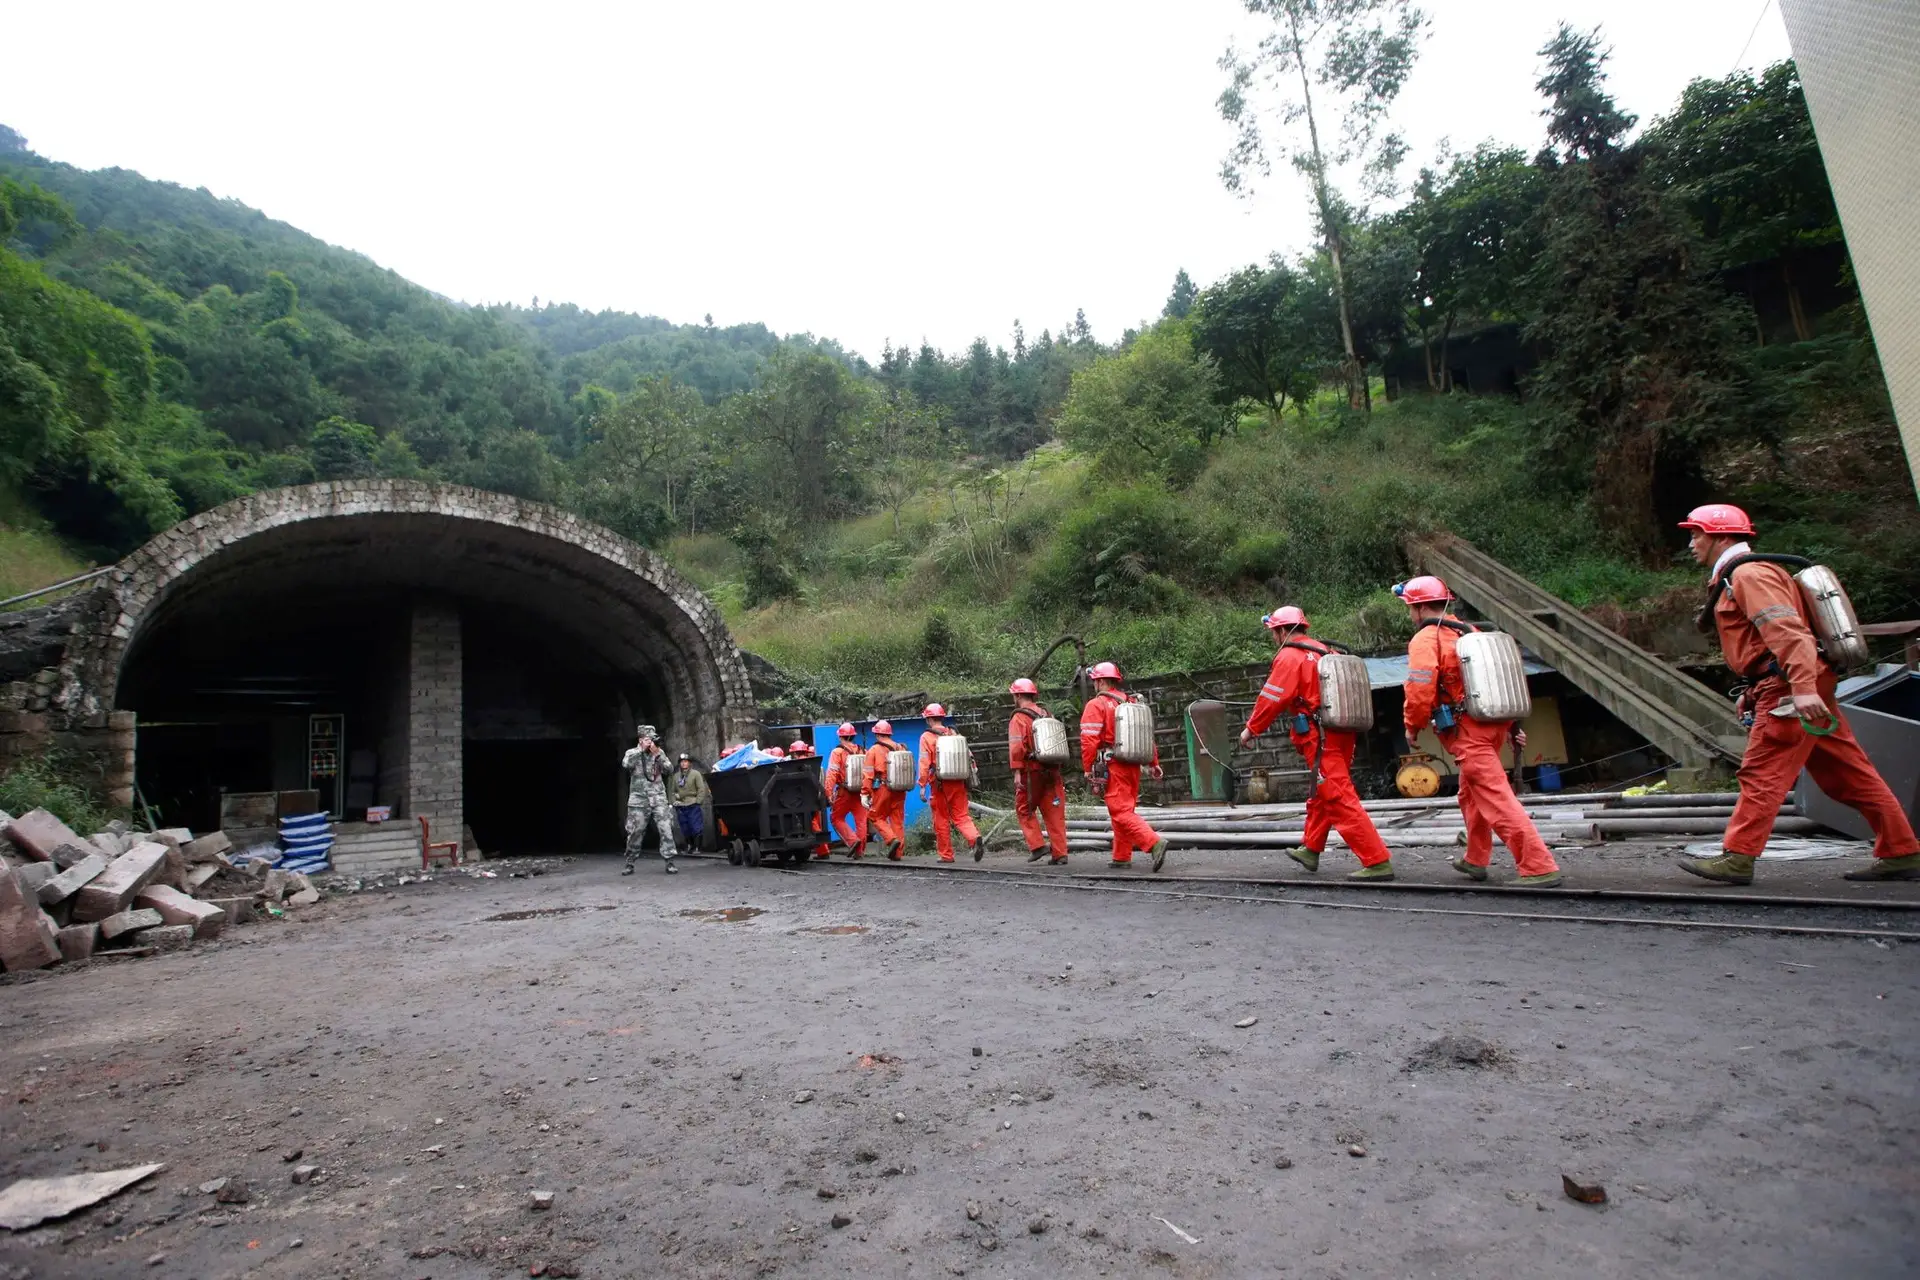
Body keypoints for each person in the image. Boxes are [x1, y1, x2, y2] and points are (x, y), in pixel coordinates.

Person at [1675, 503, 1919, 884]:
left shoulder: (1750, 575)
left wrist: (1802, 689)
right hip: (1788, 683)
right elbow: (1763, 644)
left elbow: (1789, 634)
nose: (1691, 543)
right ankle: (1902, 850)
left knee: (1762, 771)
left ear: (1721, 536)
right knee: (1848, 774)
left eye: (1696, 533)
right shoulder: (1742, 575)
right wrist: (1753, 691)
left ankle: (1738, 857)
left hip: (1791, 688)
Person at [1397, 577, 1562, 887]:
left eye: (1410, 610)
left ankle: (1538, 865)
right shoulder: (1470, 632)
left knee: (1496, 798)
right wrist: (1512, 728)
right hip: (1493, 725)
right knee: (1470, 794)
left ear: (1417, 608)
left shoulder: (1426, 639)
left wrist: (1411, 726)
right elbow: (1496, 681)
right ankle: (1475, 859)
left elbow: (1419, 690)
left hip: (1468, 733)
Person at [1239, 607, 1394, 880]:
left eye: (1274, 633)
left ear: (1282, 631)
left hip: (1320, 737)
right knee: (1323, 791)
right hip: (1341, 733)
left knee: (1337, 795)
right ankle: (1311, 849)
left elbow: (1273, 698)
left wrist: (1251, 730)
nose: (1274, 638)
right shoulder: (1325, 651)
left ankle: (1377, 860)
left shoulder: (1289, 655)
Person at [1079, 662, 1170, 872]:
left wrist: (1087, 767)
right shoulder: (1131, 702)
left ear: (1101, 681)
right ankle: (1121, 857)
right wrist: (1153, 763)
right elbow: (1146, 736)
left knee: (1119, 811)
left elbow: (1089, 740)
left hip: (1114, 766)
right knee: (1123, 810)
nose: (1094, 684)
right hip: (1133, 765)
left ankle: (1154, 843)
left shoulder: (1097, 705)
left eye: (1095, 681)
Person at [1008, 678, 1069, 865]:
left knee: (1024, 808)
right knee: (1054, 811)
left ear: (1018, 696)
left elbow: (1017, 747)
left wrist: (1017, 771)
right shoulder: (1046, 713)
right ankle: (1060, 853)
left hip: (1031, 771)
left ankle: (1037, 845)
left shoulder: (1018, 718)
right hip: (1052, 769)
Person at [918, 703, 984, 863]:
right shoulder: (953, 734)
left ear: (928, 719)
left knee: (941, 819)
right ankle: (974, 838)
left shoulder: (926, 737)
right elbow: (969, 757)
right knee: (961, 815)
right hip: (958, 781)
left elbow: (924, 762)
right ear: (942, 717)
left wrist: (922, 785)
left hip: (939, 784)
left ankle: (946, 855)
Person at [621, 726, 679, 875]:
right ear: (641, 740)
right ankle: (630, 862)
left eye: (652, 739)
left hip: (658, 797)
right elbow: (626, 765)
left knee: (666, 829)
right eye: (648, 739)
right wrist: (641, 750)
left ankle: (670, 861)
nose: (651, 742)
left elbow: (670, 770)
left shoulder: (658, 752)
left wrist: (658, 755)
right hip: (638, 800)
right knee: (635, 831)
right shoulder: (632, 753)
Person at [862, 719, 908, 861]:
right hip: (900, 789)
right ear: (889, 734)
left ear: (877, 734)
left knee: (875, 816)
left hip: (884, 788)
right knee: (897, 820)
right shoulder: (900, 747)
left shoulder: (874, 750)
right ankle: (898, 853)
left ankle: (891, 839)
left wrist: (864, 793)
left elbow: (868, 774)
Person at [824, 723, 870, 858]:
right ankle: (860, 851)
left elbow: (832, 773)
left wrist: (828, 792)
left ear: (840, 736)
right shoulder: (863, 751)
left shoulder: (837, 752)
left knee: (836, 817)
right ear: (853, 736)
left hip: (845, 792)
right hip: (860, 792)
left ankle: (852, 841)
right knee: (861, 821)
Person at [789, 738, 833, 860]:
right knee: (814, 822)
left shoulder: (795, 766)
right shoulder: (814, 764)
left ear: (794, 753)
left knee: (812, 824)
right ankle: (822, 851)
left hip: (802, 801)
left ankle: (823, 852)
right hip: (815, 798)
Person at [669, 752, 708, 853]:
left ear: (690, 763)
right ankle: (689, 846)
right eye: (681, 762)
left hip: (692, 804)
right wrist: (674, 802)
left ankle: (697, 847)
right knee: (685, 827)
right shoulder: (676, 776)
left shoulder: (695, 774)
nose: (683, 764)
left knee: (696, 826)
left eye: (685, 761)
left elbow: (701, 789)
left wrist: (698, 801)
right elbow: (672, 791)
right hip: (681, 805)